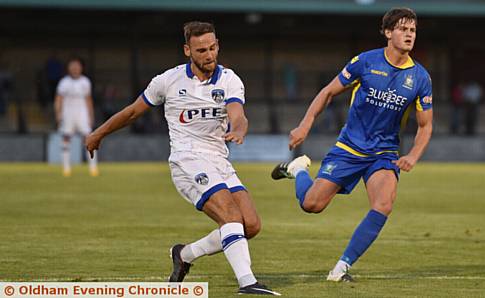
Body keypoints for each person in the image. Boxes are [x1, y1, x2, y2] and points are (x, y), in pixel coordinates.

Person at [85, 21, 280, 296]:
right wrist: (98, 133)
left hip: (219, 160)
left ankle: (184, 255)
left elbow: (238, 112)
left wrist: (238, 128)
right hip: (186, 160)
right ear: (187, 50)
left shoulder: (229, 80)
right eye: (201, 50)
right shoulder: (167, 81)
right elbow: (131, 112)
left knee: (250, 225)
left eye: (213, 48)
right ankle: (247, 282)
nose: (209, 55)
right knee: (230, 215)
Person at [271, 7, 433, 282]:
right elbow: (328, 92)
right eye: (403, 29)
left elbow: (425, 125)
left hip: (384, 153)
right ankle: (299, 170)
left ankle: (341, 267)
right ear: (387, 32)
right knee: (312, 204)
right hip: (349, 148)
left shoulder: (420, 78)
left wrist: (414, 155)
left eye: (413, 30)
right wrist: (305, 124)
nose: (409, 35)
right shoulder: (365, 62)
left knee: (383, 204)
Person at [54, 58, 98, 177]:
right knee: (66, 138)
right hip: (68, 113)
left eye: (77, 66)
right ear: (69, 68)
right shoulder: (64, 82)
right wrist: (58, 114)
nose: (75, 68)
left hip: (82, 113)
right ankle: (66, 168)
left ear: (81, 68)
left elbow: (89, 100)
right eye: (72, 66)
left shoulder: (85, 82)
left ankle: (93, 168)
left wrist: (90, 115)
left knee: (89, 139)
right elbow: (59, 99)